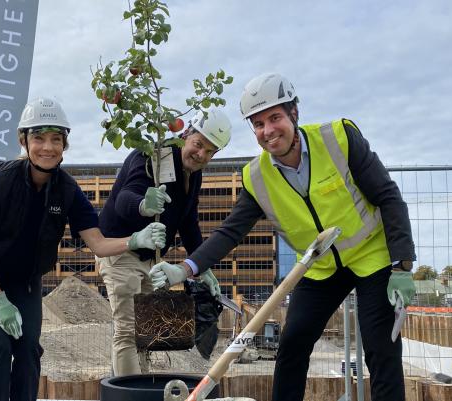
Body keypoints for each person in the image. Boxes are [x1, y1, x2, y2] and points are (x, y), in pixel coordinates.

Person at [149, 73, 417, 401]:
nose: (268, 130)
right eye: (258, 124)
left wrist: (402, 265)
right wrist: (186, 268)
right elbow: (230, 232)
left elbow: (388, 197)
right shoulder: (256, 177)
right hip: (319, 268)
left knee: (381, 347)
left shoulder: (339, 139)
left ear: (293, 114)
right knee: (292, 345)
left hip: (371, 257)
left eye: (275, 117)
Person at [0, 97, 166, 401]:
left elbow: (97, 242)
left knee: (28, 349)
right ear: (23, 140)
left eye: (56, 139)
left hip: (24, 277)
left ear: (65, 145)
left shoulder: (67, 190)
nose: (47, 147)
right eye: (38, 138)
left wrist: (135, 240)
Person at [98, 107, 232, 375]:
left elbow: (188, 223)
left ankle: (138, 388)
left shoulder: (193, 174)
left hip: (151, 260)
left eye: (210, 151)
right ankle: (129, 394)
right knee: (127, 330)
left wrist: (202, 266)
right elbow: (125, 197)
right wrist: (143, 205)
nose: (202, 154)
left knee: (145, 331)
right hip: (122, 248)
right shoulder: (152, 155)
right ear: (185, 134)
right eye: (198, 145)